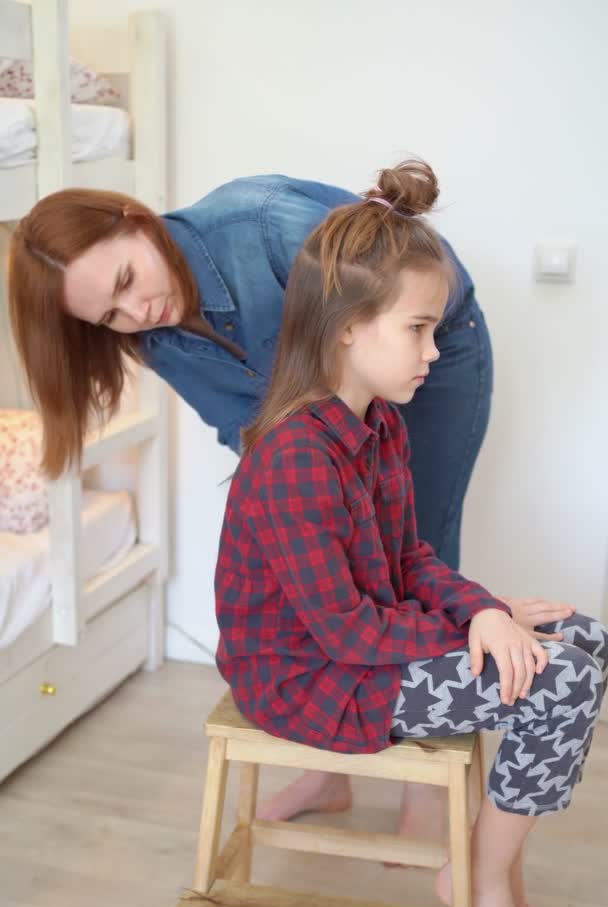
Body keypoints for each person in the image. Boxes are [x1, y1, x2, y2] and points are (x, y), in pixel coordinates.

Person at [5, 167, 565, 846]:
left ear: (134, 218)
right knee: (354, 569)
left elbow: (403, 300)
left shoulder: (264, 229)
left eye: (126, 284)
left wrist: (485, 611)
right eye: (109, 318)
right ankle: (336, 765)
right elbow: (254, 432)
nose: (137, 316)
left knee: (418, 542)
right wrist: (301, 505)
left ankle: (427, 779)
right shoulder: (157, 341)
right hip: (318, 470)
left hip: (420, 346)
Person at [213, 159, 608, 907]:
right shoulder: (295, 457)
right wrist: (480, 628)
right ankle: (482, 877)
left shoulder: (381, 426)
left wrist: (489, 609)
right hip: (310, 679)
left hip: (358, 647)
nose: (435, 351)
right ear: (347, 327)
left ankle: (498, 857)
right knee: (558, 682)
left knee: (584, 638)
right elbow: (350, 633)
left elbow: (411, 560)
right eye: (418, 330)